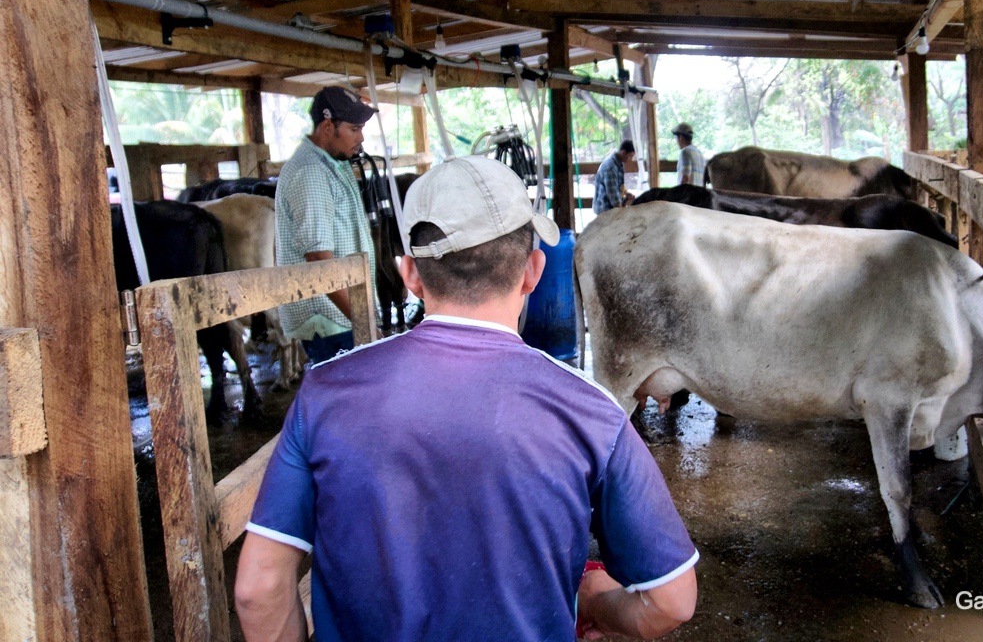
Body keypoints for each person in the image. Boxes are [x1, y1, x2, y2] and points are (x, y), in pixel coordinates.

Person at [235, 156, 698, 642]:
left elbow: (257, 589)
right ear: (533, 271)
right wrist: (600, 604)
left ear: (410, 274)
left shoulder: (325, 392)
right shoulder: (590, 411)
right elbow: (672, 601)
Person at [275, 85, 378, 365]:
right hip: (332, 318)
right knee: (346, 403)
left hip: (343, 316)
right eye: (354, 129)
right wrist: (365, 321)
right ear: (328, 126)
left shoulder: (332, 162)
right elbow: (319, 260)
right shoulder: (311, 172)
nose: (361, 137)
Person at [593, 139, 637, 214]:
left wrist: (625, 194)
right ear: (623, 152)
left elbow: (617, 185)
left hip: (611, 208)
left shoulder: (619, 163)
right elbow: (613, 195)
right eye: (630, 156)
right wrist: (621, 213)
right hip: (605, 209)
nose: (631, 160)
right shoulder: (610, 168)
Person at [672, 122, 706, 187]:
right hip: (700, 194)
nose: (676, 141)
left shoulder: (685, 152)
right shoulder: (700, 153)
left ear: (681, 137)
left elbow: (685, 177)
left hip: (689, 195)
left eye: (676, 138)